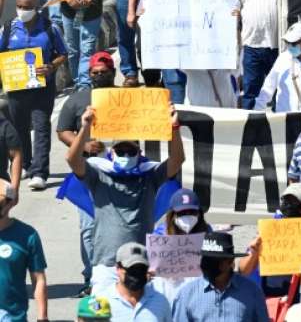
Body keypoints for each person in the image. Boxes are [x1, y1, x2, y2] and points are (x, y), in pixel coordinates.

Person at [66, 104, 185, 291]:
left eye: (131, 152)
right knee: (103, 319)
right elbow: (72, 160)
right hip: (107, 265)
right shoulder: (99, 175)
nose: (126, 155)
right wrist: (85, 128)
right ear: (111, 153)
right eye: (121, 152)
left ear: (140, 154)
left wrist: (174, 129)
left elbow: (177, 160)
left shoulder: (150, 176)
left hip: (140, 263)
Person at [55, 51, 115, 293]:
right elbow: (62, 131)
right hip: (88, 169)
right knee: (89, 226)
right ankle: (92, 277)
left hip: (122, 169)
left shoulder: (129, 98)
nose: (99, 76)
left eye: (104, 72)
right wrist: (85, 145)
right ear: (89, 74)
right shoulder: (77, 100)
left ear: (112, 72)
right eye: (95, 73)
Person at [2, 0, 67, 191]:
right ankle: (26, 164)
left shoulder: (50, 28)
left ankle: (40, 172)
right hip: (17, 87)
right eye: (19, 6)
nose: (22, 11)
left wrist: (51, 66)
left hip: (42, 86)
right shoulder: (8, 28)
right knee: (19, 128)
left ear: (36, 7)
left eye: (27, 7)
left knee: (41, 127)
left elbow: (63, 53)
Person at [171, 231, 269, 321]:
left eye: (214, 261)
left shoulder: (252, 292)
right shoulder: (186, 294)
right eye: (205, 259)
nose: (207, 264)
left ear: (230, 262)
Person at [234, 0, 281, 109]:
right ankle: (249, 127)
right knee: (251, 91)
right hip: (252, 45)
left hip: (279, 46)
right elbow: (232, 9)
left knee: (280, 90)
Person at [0, 179, 48, 322]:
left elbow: (38, 279)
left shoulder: (27, 235)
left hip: (13, 317)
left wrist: (42, 317)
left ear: (10, 203)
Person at [150, 188, 210, 303]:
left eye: (191, 212)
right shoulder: (160, 234)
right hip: (171, 289)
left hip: (200, 290)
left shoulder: (208, 231)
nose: (187, 216)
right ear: (172, 214)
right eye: (182, 213)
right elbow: (153, 266)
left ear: (199, 213)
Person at [99, 242, 172, 320]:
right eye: (132, 269)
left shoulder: (160, 302)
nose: (137, 274)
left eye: (142, 269)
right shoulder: (101, 301)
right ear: (118, 268)